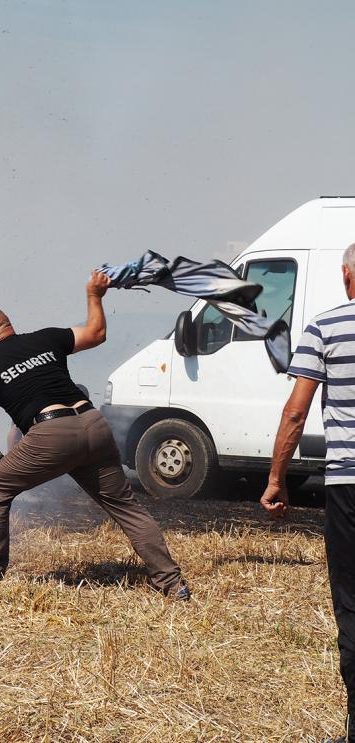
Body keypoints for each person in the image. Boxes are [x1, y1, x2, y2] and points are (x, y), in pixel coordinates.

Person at [0, 270, 188, 598]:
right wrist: (94, 295)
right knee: (126, 506)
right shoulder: (46, 338)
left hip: (51, 433)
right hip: (94, 425)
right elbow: (96, 333)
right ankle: (171, 582)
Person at [261, 243, 355, 742]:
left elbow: (296, 412)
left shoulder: (325, 327)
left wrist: (277, 479)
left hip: (347, 485)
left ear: (346, 275)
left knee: (352, 603)